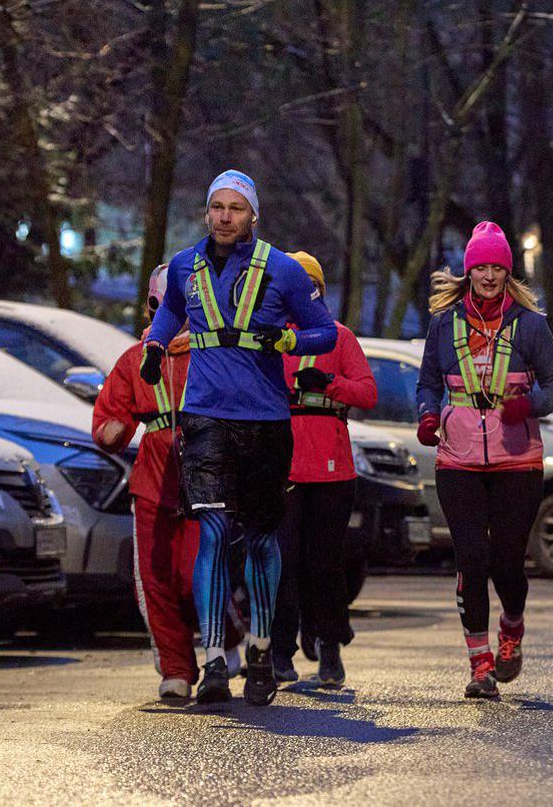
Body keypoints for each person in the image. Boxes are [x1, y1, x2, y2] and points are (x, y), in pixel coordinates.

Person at [144, 169, 337, 706]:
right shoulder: (184, 265)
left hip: (265, 421)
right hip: (205, 418)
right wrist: (155, 347)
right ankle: (211, 664)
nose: (225, 216)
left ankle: (258, 651)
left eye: (236, 208)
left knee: (259, 539)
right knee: (210, 532)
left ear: (253, 215)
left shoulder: (282, 270)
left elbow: (326, 330)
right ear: (207, 212)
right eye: (217, 207)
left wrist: (290, 337)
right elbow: (170, 313)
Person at [415, 221, 553, 700]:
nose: (486, 275)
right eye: (479, 266)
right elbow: (427, 384)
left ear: (507, 271)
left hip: (517, 460)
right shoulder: (445, 323)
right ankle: (480, 666)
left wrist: (531, 405)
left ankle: (512, 628)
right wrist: (426, 415)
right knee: (471, 560)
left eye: (495, 266)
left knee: (506, 564)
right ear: (468, 271)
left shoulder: (530, 325)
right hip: (457, 459)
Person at [94, 265, 227, 700]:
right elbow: (110, 415)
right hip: (153, 476)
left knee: (195, 574)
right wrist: (111, 431)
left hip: (205, 471)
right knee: (154, 578)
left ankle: (225, 643)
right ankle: (175, 667)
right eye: (160, 304)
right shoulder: (136, 358)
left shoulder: (214, 352)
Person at [271, 251, 376, 688]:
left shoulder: (339, 337)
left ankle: (329, 648)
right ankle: (280, 649)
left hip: (332, 469)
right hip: (283, 464)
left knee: (326, 563)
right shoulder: (273, 337)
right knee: (283, 562)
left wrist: (329, 384)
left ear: (319, 291)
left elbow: (368, 393)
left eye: (309, 285)